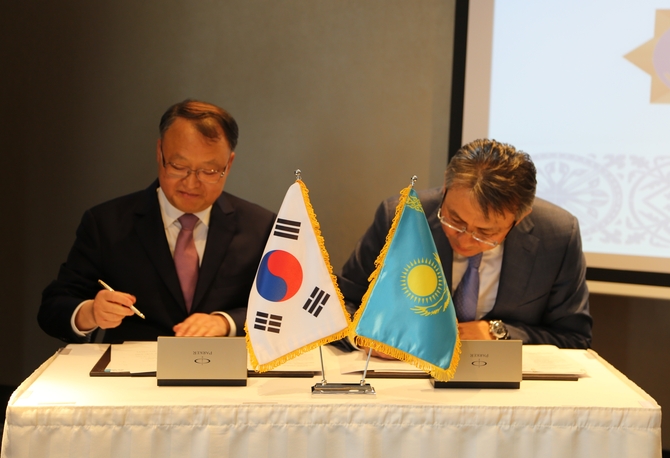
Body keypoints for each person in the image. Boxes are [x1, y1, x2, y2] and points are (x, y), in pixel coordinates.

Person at [38, 100, 276, 343]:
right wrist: (90, 312)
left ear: (229, 164)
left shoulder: (262, 228)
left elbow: (286, 311)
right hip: (132, 365)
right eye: (178, 166)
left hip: (226, 364)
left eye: (209, 171)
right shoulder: (106, 224)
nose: (191, 183)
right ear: (160, 152)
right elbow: (53, 308)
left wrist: (226, 322)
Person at [339, 138, 592, 349]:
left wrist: (499, 333)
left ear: (520, 217)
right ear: (446, 188)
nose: (465, 239)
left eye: (485, 232)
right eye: (455, 220)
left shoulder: (557, 235)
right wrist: (365, 338)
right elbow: (342, 305)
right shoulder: (402, 216)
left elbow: (574, 338)